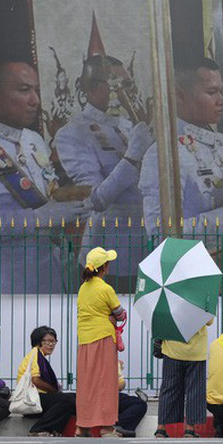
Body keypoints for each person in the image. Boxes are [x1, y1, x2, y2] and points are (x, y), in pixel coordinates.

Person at [0, 60, 87, 293]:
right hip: (3, 285)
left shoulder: (33, 140)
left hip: (49, 277)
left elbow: (48, 195)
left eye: (36, 90)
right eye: (24, 90)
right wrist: (37, 219)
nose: (36, 100)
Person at [54, 39, 153, 280]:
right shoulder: (72, 133)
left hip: (146, 243)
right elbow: (95, 198)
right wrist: (133, 156)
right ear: (89, 88)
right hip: (110, 248)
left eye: (128, 86)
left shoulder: (130, 126)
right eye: (115, 85)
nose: (124, 93)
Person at [139, 57, 223, 236]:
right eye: (212, 92)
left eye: (221, 91)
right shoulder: (165, 153)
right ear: (180, 95)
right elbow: (161, 234)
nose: (221, 100)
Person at [75, 247, 127, 437]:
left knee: (87, 384)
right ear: (104, 267)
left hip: (85, 340)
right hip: (103, 338)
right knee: (106, 382)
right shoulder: (105, 288)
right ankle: (106, 426)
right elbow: (120, 314)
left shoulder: (83, 288)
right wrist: (112, 318)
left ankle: (82, 426)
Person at [18, 326, 76, 437]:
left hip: (39, 398)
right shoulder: (35, 354)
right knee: (67, 399)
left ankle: (55, 429)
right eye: (48, 341)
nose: (51, 344)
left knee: (73, 398)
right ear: (38, 341)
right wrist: (54, 390)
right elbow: (36, 380)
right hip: (32, 399)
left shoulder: (40, 357)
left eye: (54, 341)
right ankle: (39, 428)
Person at [115, 360, 147, 437]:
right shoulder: (109, 360)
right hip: (106, 397)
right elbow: (119, 385)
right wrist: (118, 367)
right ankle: (120, 427)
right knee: (139, 404)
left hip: (87, 399)